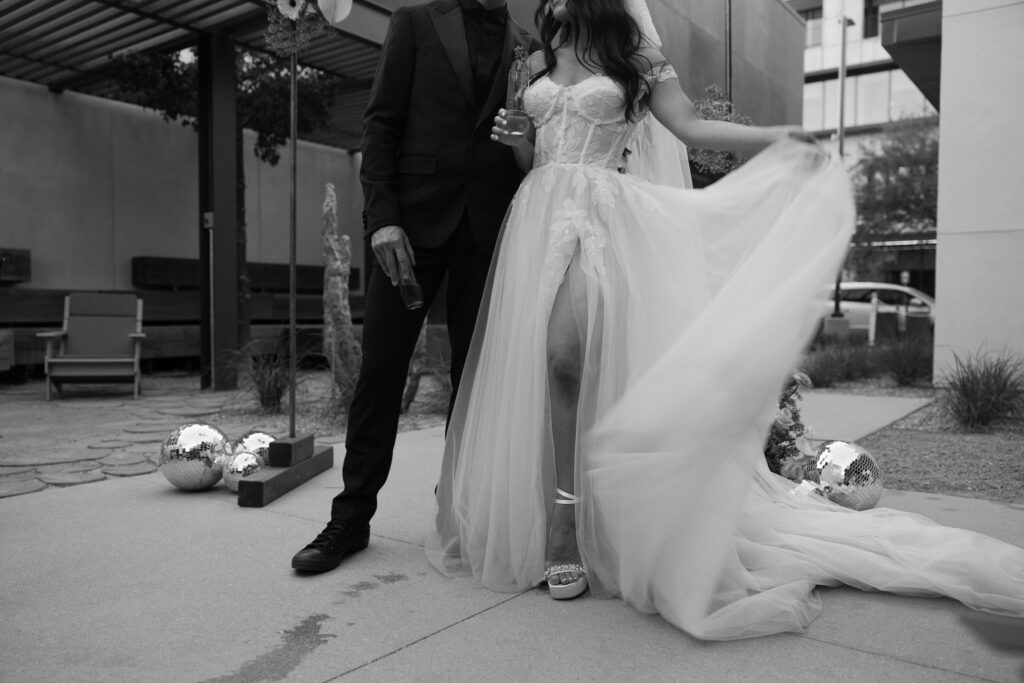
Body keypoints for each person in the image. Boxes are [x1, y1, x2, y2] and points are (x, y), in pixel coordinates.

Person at [427, 0, 1024, 640]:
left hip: (601, 214)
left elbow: (689, 127)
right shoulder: (539, 60)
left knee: (568, 362)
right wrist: (520, 144)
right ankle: (556, 515)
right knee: (539, 367)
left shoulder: (634, 56)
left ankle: (571, 527)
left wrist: (778, 137)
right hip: (537, 214)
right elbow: (535, 151)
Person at [291, 0, 538, 573]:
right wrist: (382, 218)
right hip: (409, 227)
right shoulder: (415, 21)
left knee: (473, 381)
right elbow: (380, 124)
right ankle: (349, 520)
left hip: (490, 229)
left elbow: (524, 137)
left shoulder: (525, 42)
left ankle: (453, 513)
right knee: (380, 371)